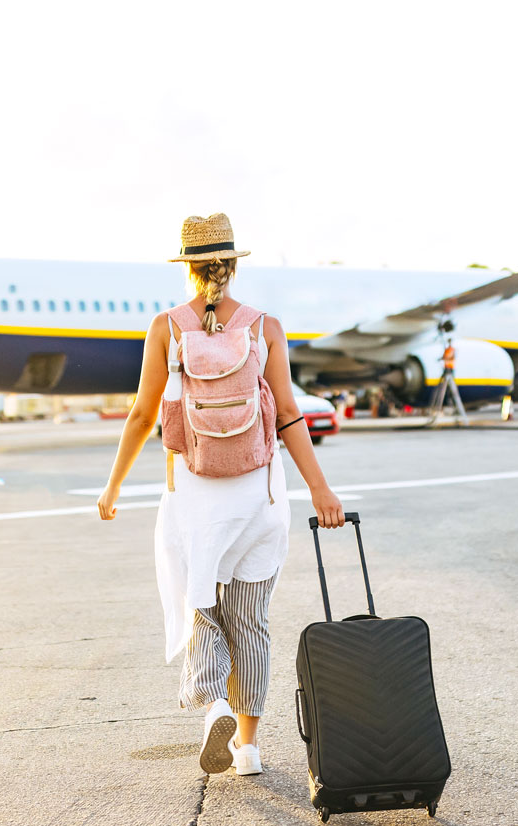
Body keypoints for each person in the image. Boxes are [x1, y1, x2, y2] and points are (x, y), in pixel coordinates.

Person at [98, 213, 344, 777]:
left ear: (188, 269)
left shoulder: (168, 328)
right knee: (251, 618)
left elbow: (142, 414)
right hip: (260, 495)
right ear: (232, 267)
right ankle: (250, 748)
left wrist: (113, 485)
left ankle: (214, 706)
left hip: (195, 495)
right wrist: (321, 490)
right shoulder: (265, 327)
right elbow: (287, 414)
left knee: (202, 606)